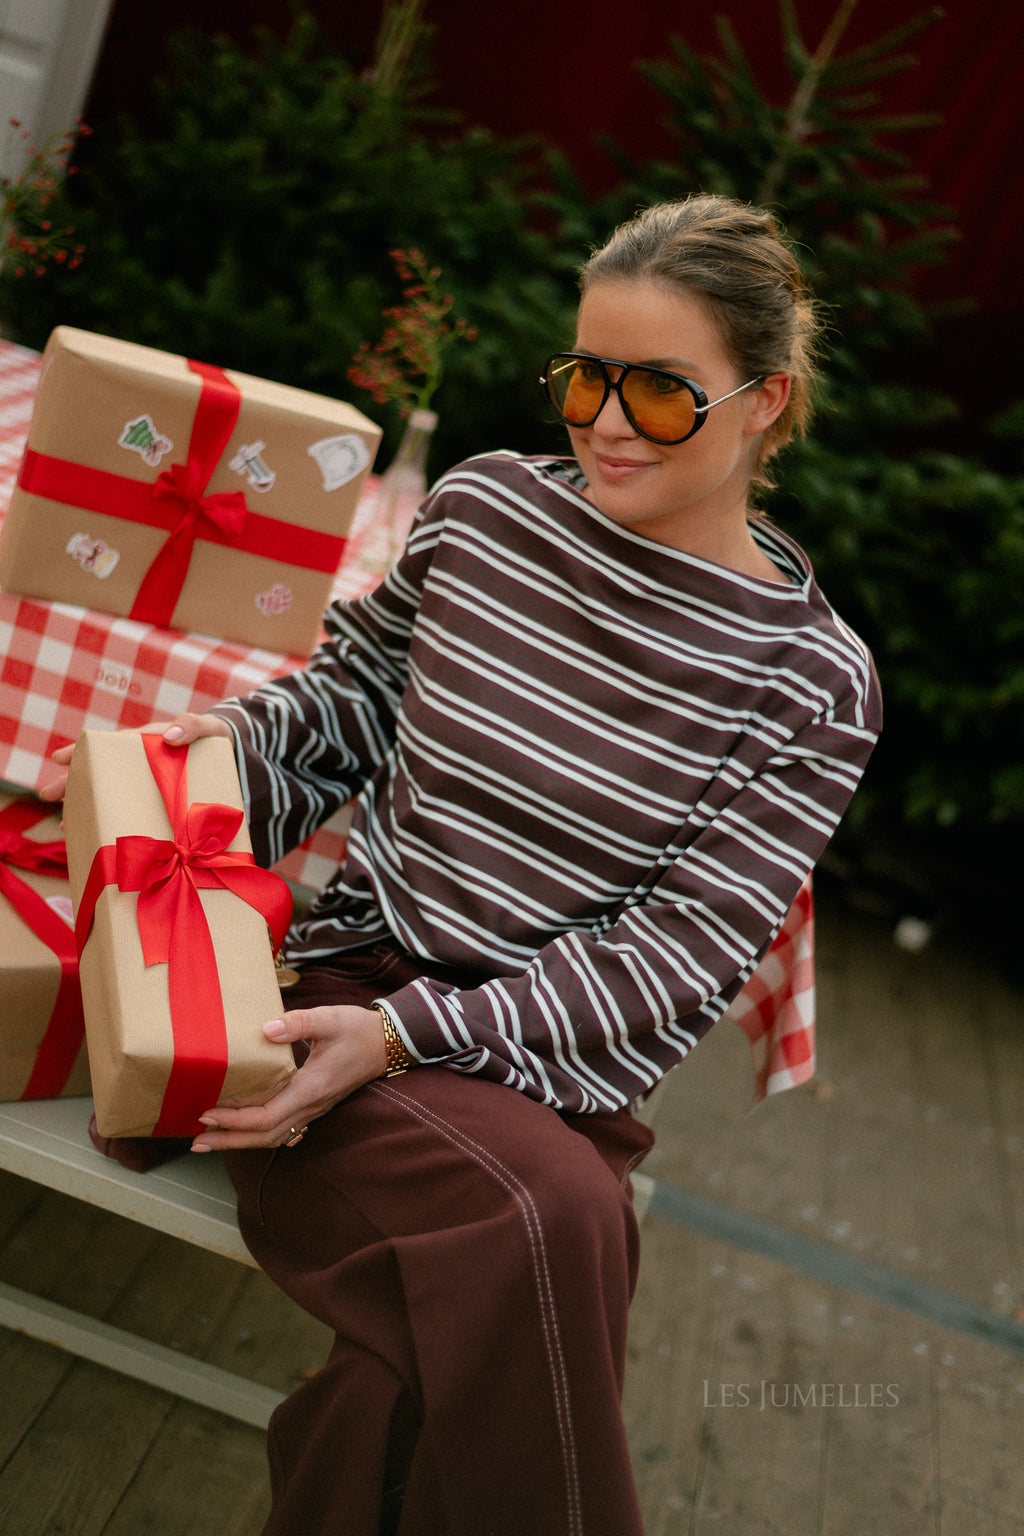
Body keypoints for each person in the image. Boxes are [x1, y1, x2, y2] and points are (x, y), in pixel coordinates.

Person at [49, 194, 881, 1534]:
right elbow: (354, 703)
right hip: (333, 1002)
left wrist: (406, 1040)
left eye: (663, 392)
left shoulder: (813, 683)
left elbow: (675, 958)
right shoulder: (486, 511)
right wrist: (226, 752)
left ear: (766, 403)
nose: (609, 423)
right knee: (553, 1224)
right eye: (588, 378)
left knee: (423, 1349)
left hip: (541, 1079)